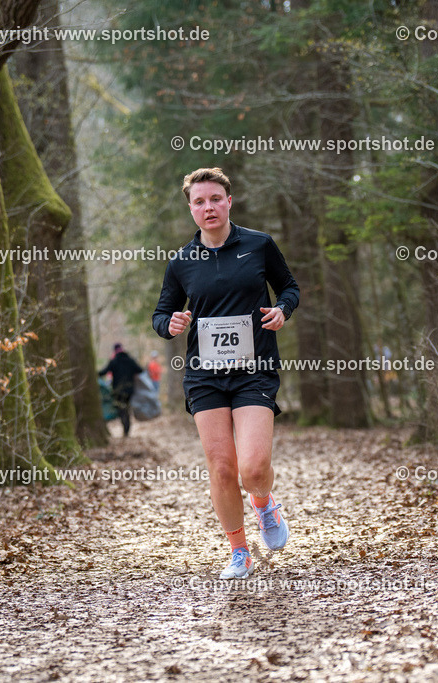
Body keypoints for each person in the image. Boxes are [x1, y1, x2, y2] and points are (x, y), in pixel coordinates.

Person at [153, 167, 299, 579]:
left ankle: (264, 502)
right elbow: (161, 313)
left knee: (252, 469)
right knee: (221, 468)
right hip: (204, 375)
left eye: (215, 198)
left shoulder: (258, 245)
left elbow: (289, 287)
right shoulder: (182, 261)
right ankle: (239, 551)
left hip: (254, 370)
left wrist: (281, 310)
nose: (208, 207)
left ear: (229, 201)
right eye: (199, 202)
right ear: (191, 209)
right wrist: (170, 325)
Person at [98, 343, 143, 437]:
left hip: (118, 391)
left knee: (121, 410)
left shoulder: (114, 361)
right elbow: (140, 370)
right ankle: (127, 430)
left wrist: (95, 374)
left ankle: (125, 429)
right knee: (127, 409)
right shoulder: (130, 360)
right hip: (129, 390)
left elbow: (104, 372)